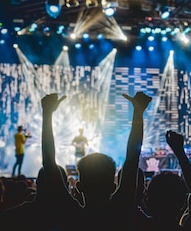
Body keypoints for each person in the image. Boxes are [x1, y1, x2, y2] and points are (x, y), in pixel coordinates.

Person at [40, 92, 151, 230]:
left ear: (78, 187)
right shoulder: (121, 213)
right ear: (113, 186)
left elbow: (49, 164)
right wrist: (138, 112)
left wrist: (47, 114)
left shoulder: (71, 215)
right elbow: (132, 160)